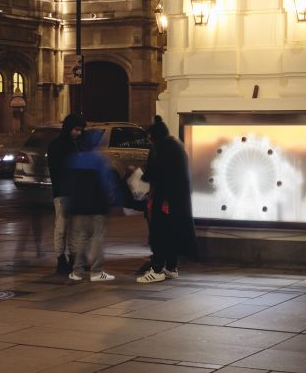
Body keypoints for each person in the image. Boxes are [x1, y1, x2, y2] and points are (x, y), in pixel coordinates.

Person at [137, 116, 198, 283]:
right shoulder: (177, 145)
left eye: (150, 138)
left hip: (164, 200)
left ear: (155, 136)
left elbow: (154, 173)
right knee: (172, 233)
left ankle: (157, 269)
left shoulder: (161, 148)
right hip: (177, 200)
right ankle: (171, 268)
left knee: (160, 233)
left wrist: (138, 177)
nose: (149, 141)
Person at [66, 142, 124, 282]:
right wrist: (117, 200)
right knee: (97, 237)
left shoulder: (74, 159)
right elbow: (107, 182)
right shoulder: (100, 159)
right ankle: (96, 272)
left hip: (79, 206)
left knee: (81, 238)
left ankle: (77, 272)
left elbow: (68, 183)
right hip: (97, 205)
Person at [47, 113, 86, 275]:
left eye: (81, 130)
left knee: (75, 228)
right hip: (62, 192)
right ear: (69, 128)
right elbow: (57, 170)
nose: (79, 133)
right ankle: (60, 258)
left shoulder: (77, 144)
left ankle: (73, 257)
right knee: (61, 227)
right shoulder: (57, 145)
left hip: (75, 192)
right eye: (76, 129)